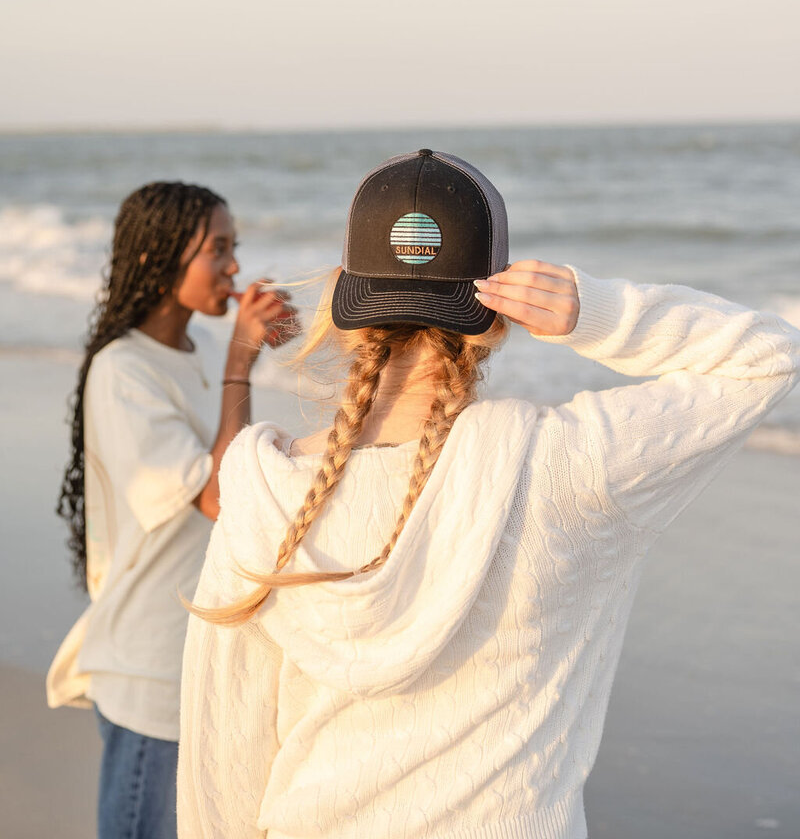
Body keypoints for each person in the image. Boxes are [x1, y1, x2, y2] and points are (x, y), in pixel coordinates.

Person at [177, 149, 800, 839]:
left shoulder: (266, 491)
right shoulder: (566, 464)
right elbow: (768, 358)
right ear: (497, 317)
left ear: (345, 310)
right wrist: (594, 312)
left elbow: (223, 753)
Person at [47, 180, 298, 839]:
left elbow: (235, 469)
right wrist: (242, 360)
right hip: (150, 666)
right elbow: (220, 497)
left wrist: (270, 349)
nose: (235, 267)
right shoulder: (122, 370)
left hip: (191, 652)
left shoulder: (198, 351)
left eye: (234, 248)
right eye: (218, 249)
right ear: (159, 258)